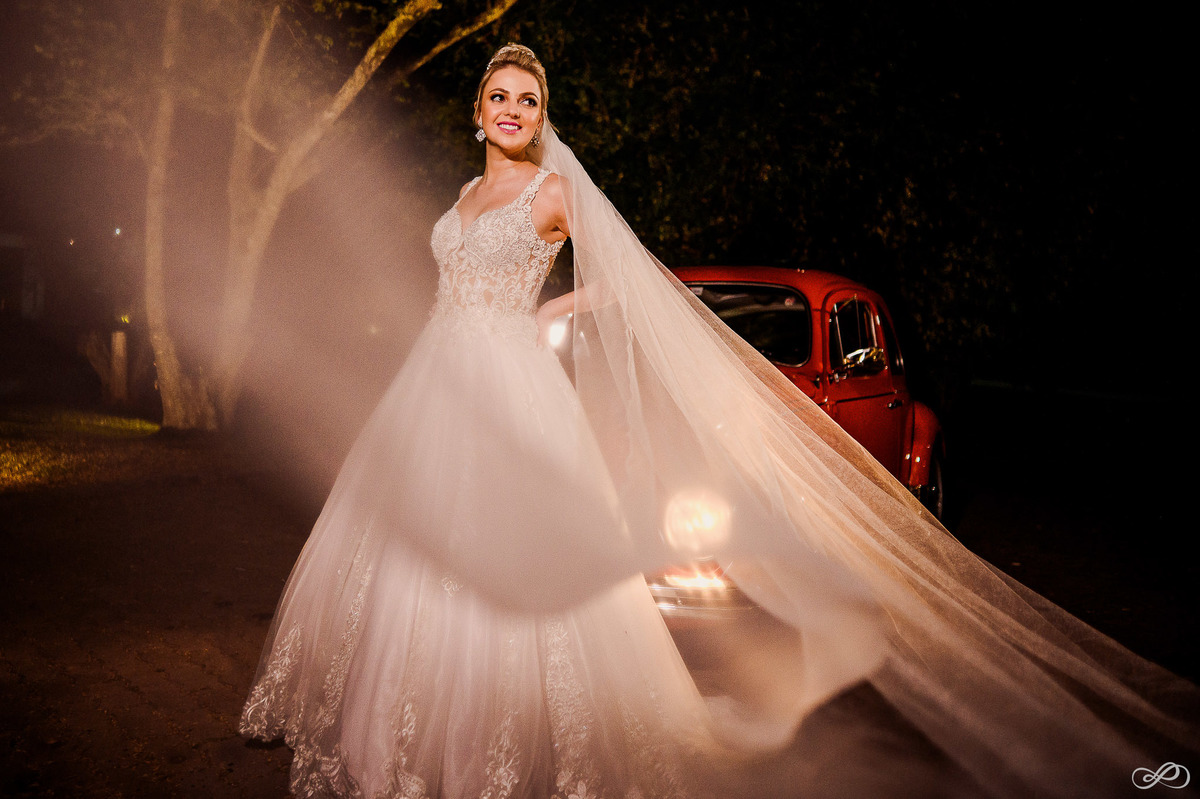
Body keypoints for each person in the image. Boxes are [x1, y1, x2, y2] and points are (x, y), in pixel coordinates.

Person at [241, 44, 1197, 799]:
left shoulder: (554, 194)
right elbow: (456, 273)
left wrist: (548, 313)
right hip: (437, 380)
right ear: (477, 107)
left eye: (530, 100)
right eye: (501, 95)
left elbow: (623, 275)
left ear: (542, 118)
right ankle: (395, 724)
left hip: (505, 380)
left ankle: (498, 737)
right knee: (417, 553)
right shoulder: (460, 197)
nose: (513, 111)